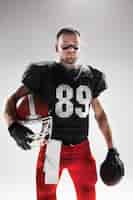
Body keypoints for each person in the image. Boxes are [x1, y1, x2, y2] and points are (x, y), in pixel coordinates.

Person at [3, 27, 123, 200]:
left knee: (87, 193)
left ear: (80, 47)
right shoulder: (44, 73)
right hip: (53, 148)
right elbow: (11, 100)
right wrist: (12, 126)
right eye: (65, 45)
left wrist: (112, 147)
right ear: (56, 47)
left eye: (75, 46)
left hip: (81, 148)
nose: (71, 50)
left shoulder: (91, 76)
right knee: (46, 195)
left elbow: (100, 115)